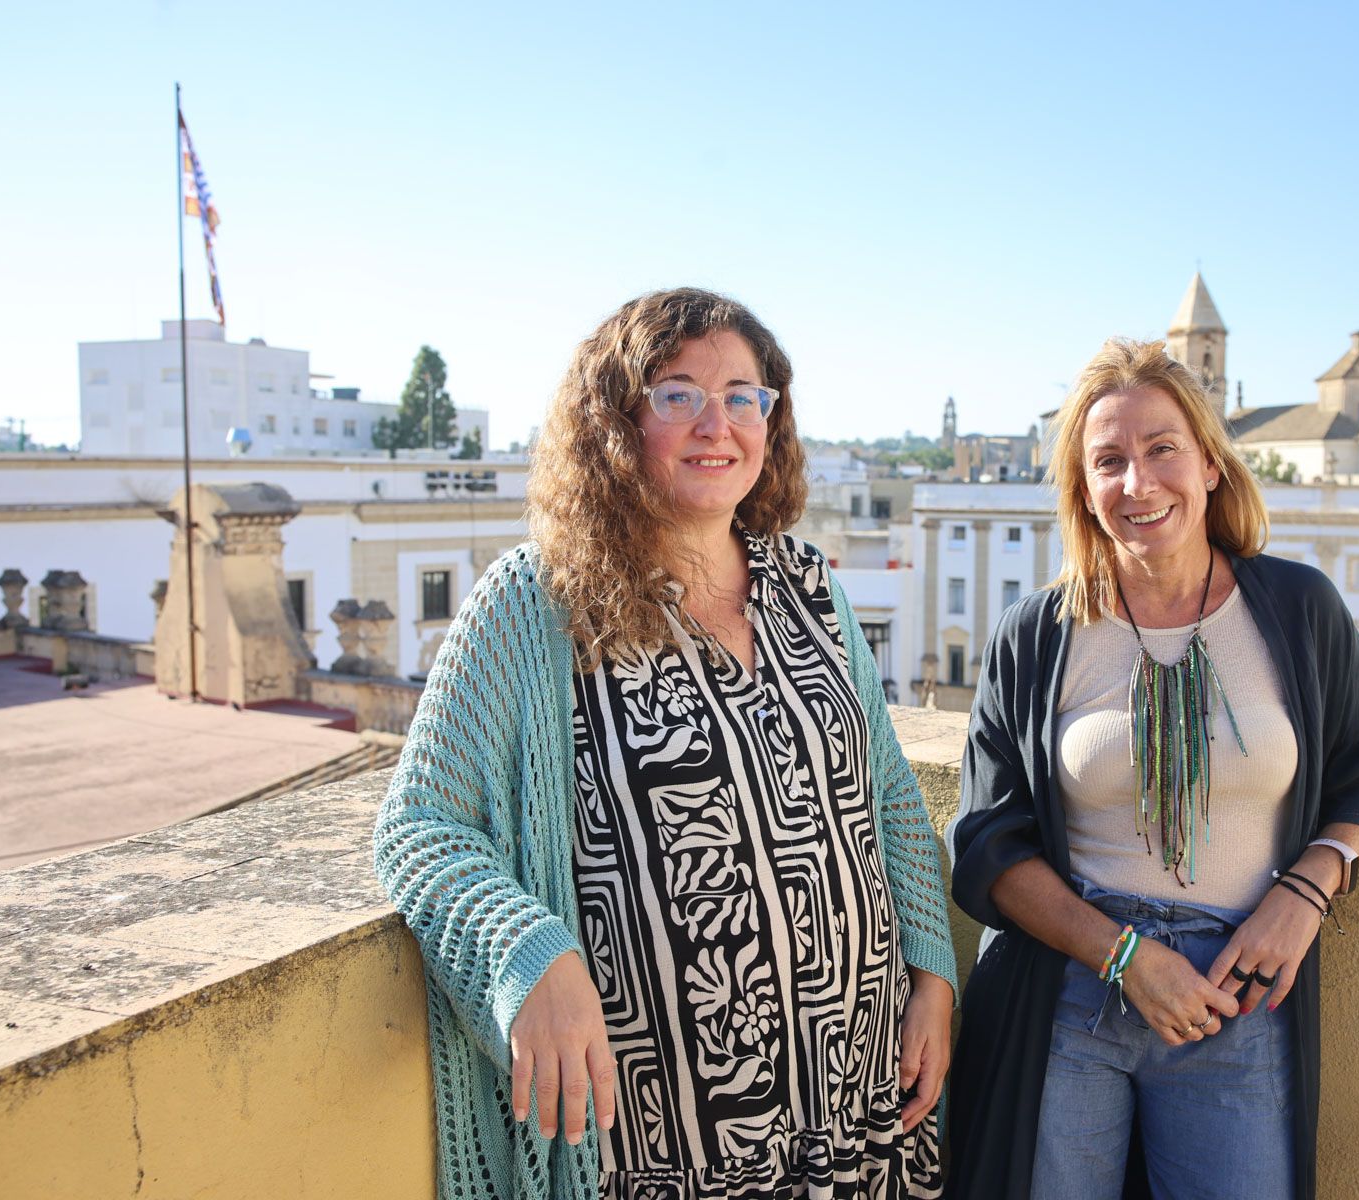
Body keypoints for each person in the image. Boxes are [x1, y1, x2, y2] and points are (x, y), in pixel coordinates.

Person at [374, 287, 957, 1200]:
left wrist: (933, 972)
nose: (715, 422)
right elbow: (421, 826)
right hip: (662, 1146)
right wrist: (530, 954)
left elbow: (881, 794)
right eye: (677, 392)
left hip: (856, 1106)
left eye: (743, 395)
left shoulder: (808, 586)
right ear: (617, 418)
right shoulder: (534, 602)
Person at [945, 337, 1359, 1200]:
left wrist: (1304, 895)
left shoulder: (1299, 609)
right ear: (1082, 490)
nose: (1139, 482)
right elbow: (988, 842)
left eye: (1163, 449)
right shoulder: (1037, 635)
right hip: (1071, 994)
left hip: (1239, 995)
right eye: (1109, 460)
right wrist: (1126, 957)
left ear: (1211, 465)